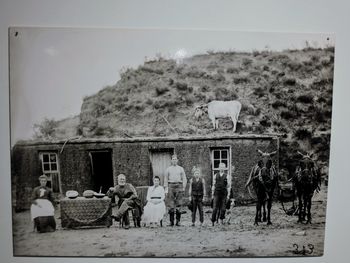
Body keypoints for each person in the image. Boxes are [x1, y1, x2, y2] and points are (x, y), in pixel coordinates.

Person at [164, 154, 187, 226]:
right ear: (171, 160)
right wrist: (166, 189)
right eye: (173, 159)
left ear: (177, 160)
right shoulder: (168, 169)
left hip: (179, 186)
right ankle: (171, 221)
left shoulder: (181, 168)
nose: (174, 160)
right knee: (171, 204)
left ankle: (178, 221)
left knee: (179, 204)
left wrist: (183, 187)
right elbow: (165, 179)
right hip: (170, 185)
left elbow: (184, 178)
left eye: (175, 159)